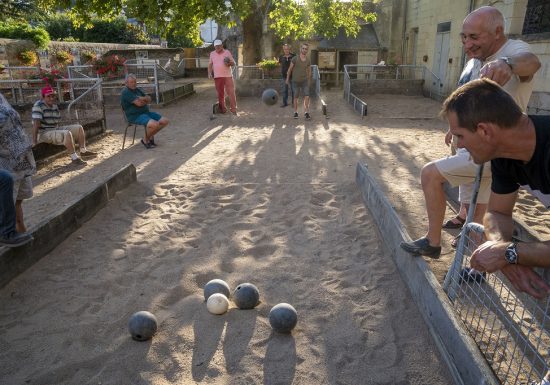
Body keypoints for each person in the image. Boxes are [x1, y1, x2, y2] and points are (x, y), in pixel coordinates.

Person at [400, 6, 541, 258]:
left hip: (496, 149)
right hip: (487, 154)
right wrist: (454, 130)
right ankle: (475, 263)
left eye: (474, 37)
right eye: (464, 37)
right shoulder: (477, 60)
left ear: (497, 32)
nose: (467, 44)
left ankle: (433, 241)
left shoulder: (513, 51)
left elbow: (532, 62)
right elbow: (468, 101)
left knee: (430, 174)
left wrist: (507, 64)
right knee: (481, 205)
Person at [441, 78, 550, 300]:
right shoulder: (503, 154)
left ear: (484, 131)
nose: (458, 144)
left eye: (460, 135)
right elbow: (497, 213)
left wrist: (509, 253)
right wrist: (500, 248)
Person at [0, 92, 36, 238]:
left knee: (18, 200)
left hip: (19, 157)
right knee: (8, 199)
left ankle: (20, 230)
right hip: (5, 160)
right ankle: (9, 234)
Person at [32, 86, 97, 165]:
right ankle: (74, 158)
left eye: (52, 96)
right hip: (44, 132)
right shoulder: (38, 106)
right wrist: (34, 141)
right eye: (48, 96)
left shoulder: (54, 106)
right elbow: (36, 124)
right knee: (67, 133)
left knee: (79, 128)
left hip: (54, 129)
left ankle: (83, 151)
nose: (51, 98)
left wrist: (59, 131)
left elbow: (56, 122)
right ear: (43, 97)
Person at [120, 74, 169, 149]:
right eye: (131, 82)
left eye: (134, 82)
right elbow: (139, 104)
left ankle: (148, 138)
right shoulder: (126, 92)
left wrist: (141, 98)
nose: (133, 84)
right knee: (155, 124)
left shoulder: (137, 89)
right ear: (126, 83)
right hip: (135, 116)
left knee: (165, 121)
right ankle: (145, 140)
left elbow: (149, 98)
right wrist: (145, 100)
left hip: (145, 113)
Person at [208, 39, 237, 115]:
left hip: (228, 76)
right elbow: (210, 64)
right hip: (217, 77)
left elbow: (234, 63)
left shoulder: (227, 52)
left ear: (222, 46)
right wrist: (209, 73)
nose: (217, 48)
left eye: (218, 46)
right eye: (216, 46)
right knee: (220, 94)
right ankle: (223, 109)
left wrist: (229, 63)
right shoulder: (212, 54)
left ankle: (233, 109)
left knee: (231, 92)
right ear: (214, 47)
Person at [286, 43, 312, 120]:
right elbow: (290, 69)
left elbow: (309, 71)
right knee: (295, 97)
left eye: (306, 49)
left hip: (304, 81)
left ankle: (306, 112)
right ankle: (295, 112)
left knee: (307, 96)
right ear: (301, 49)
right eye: (303, 48)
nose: (304, 50)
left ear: (307, 50)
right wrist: (287, 79)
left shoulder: (308, 60)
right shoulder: (295, 59)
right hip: (295, 81)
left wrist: (309, 80)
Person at [278, 43, 295, 108]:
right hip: (284, 76)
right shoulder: (281, 57)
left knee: (293, 90)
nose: (286, 50)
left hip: (293, 76)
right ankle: (285, 103)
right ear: (283, 50)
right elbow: (280, 65)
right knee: (285, 90)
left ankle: (294, 103)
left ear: (289, 49)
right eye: (285, 49)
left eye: (287, 49)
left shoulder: (293, 56)